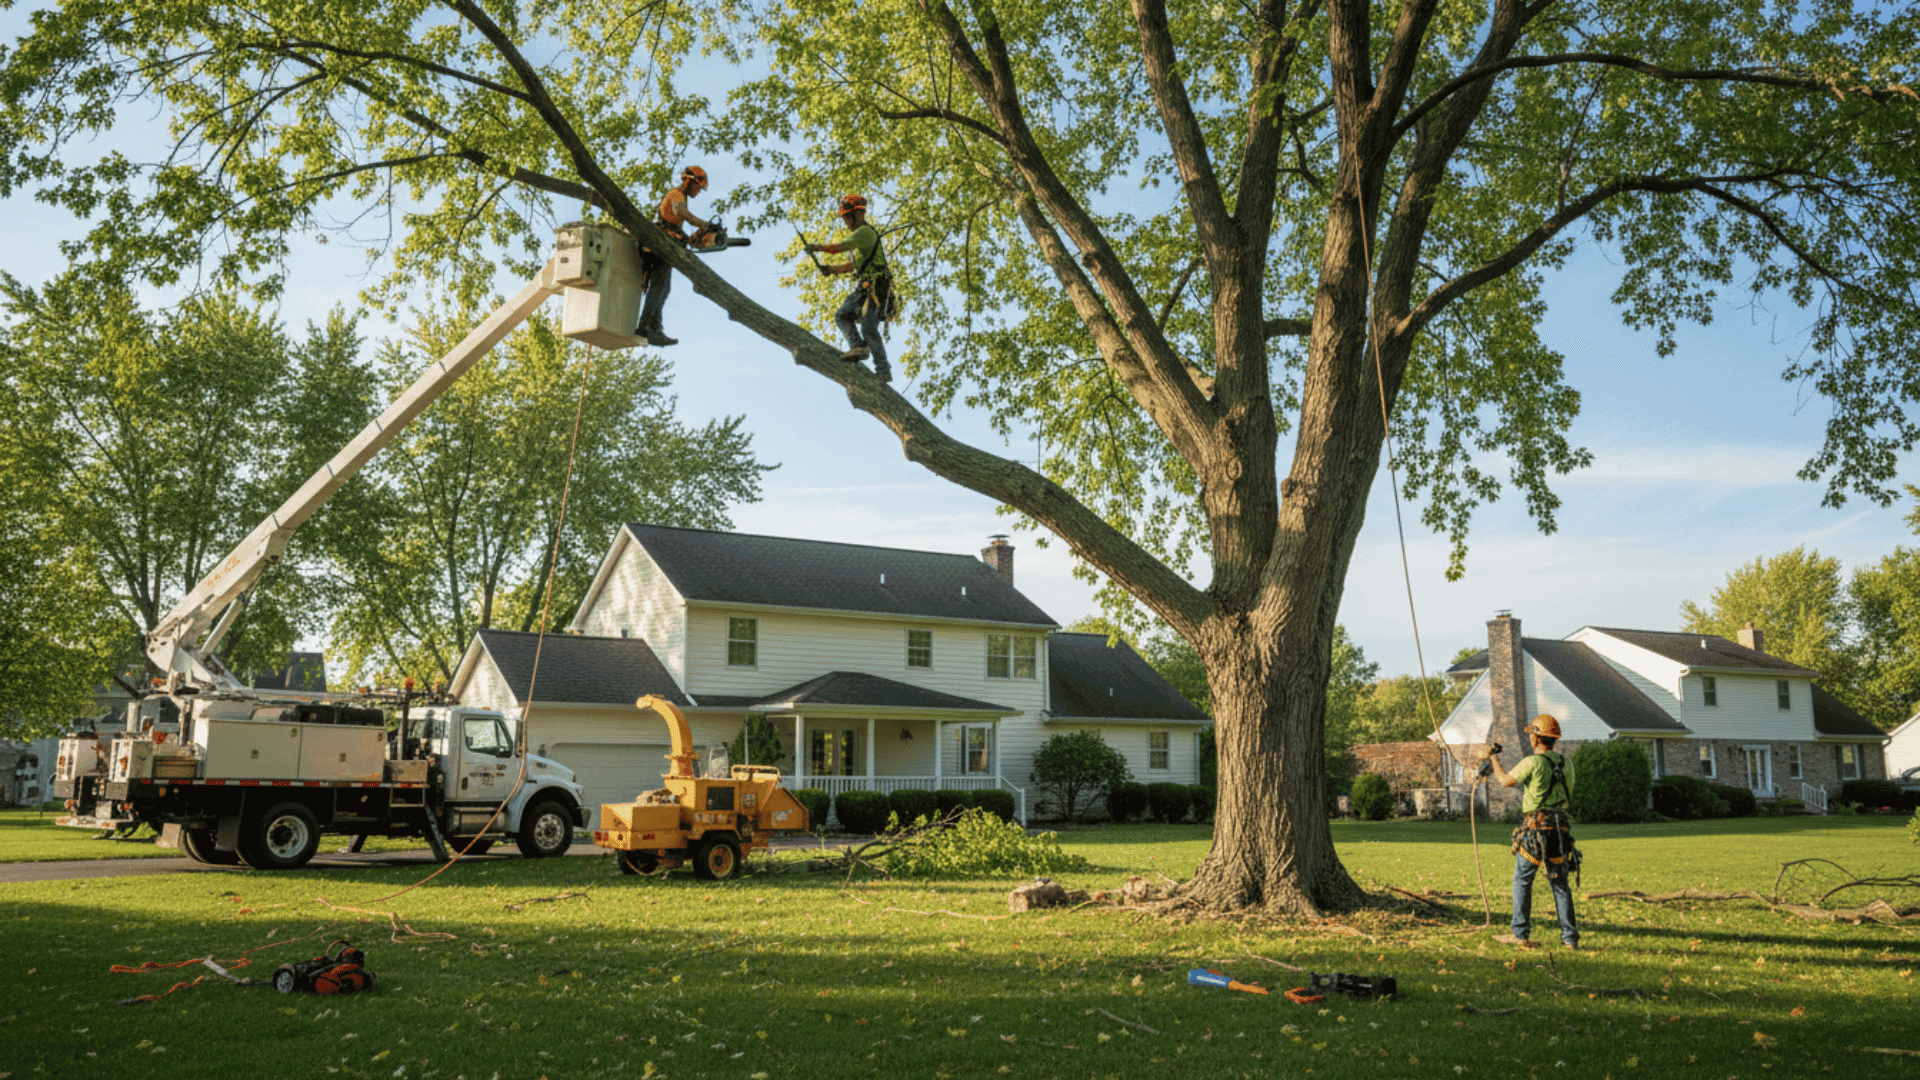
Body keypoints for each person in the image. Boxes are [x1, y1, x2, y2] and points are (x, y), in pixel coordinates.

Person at [1485, 713, 1580, 949]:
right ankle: (1570, 939)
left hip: (1536, 829)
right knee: (1560, 884)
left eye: (1531, 735)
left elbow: (1505, 780)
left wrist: (1493, 758)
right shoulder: (1567, 763)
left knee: (1523, 880)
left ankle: (1520, 934)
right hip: (1560, 830)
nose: (1530, 739)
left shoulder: (1532, 762)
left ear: (1536, 738)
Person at [803, 193, 895, 383]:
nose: (846, 222)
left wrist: (816, 247)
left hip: (878, 286)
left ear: (858, 215)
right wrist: (831, 269)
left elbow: (839, 247)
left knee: (869, 327)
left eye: (847, 218)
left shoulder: (865, 233)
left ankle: (883, 370)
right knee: (842, 315)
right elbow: (852, 266)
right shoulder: (859, 241)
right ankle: (858, 347)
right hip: (865, 286)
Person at [637, 165, 713, 347]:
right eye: (697, 187)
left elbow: (674, 228)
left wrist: (690, 239)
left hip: (664, 246)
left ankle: (654, 329)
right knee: (659, 287)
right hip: (658, 245)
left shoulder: (682, 198)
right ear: (688, 181)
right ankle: (645, 327)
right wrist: (705, 224)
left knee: (664, 288)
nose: (697, 192)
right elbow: (681, 213)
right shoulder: (677, 195)